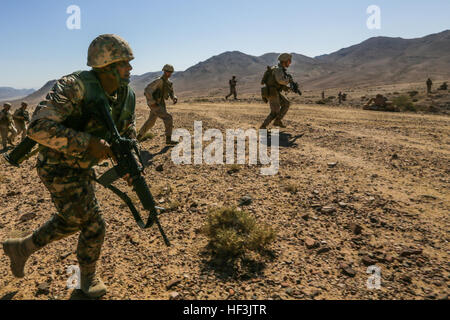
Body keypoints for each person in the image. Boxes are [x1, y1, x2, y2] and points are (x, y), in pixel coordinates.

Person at [2, 34, 137, 299]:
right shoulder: (73, 86)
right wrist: (87, 143)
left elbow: (127, 134)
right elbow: (37, 127)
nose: (130, 69)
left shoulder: (126, 95)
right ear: (107, 66)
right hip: (56, 166)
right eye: (124, 64)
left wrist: (131, 164)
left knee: (73, 219)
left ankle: (22, 248)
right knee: (93, 223)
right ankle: (86, 280)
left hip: (82, 167)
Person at [137, 64, 178, 145]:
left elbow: (171, 92)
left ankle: (137, 138)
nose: (169, 73)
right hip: (155, 104)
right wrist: (152, 103)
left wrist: (174, 97)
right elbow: (147, 90)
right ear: (164, 71)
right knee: (168, 118)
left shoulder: (169, 83)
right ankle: (168, 139)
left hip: (161, 103)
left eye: (170, 72)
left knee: (150, 122)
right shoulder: (159, 81)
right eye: (167, 71)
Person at [260, 53, 293, 129]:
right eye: (289, 61)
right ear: (284, 61)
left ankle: (277, 121)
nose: (290, 63)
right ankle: (263, 126)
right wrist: (288, 80)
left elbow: (278, 82)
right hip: (272, 92)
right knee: (274, 112)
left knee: (286, 103)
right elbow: (280, 81)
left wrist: (287, 87)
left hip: (275, 91)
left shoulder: (279, 69)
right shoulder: (278, 69)